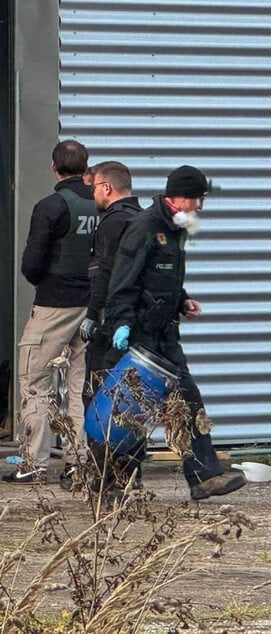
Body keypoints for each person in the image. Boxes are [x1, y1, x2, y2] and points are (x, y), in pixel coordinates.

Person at [104, 165, 246, 501]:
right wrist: (121, 323)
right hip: (140, 336)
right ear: (180, 198)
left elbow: (162, 279)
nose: (199, 207)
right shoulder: (144, 228)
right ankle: (110, 484)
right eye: (198, 200)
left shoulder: (175, 229)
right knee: (133, 410)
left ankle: (203, 476)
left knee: (187, 401)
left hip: (165, 335)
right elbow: (122, 282)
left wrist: (182, 301)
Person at [5, 140, 96, 488]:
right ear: (86, 169)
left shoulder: (51, 206)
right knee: (78, 386)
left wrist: (42, 279)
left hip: (53, 305)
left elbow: (32, 263)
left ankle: (33, 462)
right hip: (88, 307)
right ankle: (78, 462)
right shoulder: (101, 205)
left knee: (37, 383)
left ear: (53, 167)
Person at [80, 162, 142, 403]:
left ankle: (101, 442)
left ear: (106, 188)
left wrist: (92, 315)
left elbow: (103, 273)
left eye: (94, 187)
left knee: (98, 393)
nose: (93, 194)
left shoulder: (112, 223)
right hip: (136, 321)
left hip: (112, 320)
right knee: (130, 397)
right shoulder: (142, 218)